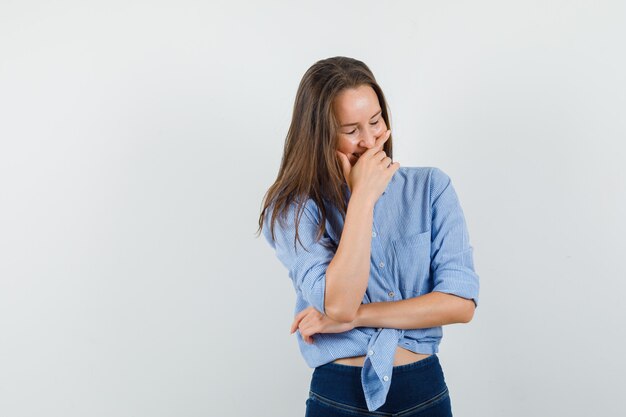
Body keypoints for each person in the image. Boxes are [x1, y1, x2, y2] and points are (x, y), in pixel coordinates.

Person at [256, 56, 480, 416]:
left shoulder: (431, 188)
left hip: (423, 390)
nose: (370, 140)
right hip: (339, 395)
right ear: (321, 135)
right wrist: (362, 198)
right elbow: (339, 303)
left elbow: (460, 304)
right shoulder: (295, 210)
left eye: (375, 121)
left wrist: (357, 317)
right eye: (351, 130)